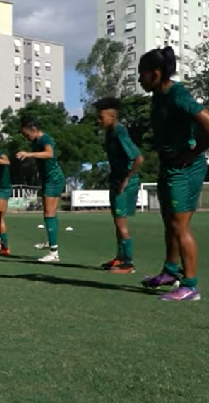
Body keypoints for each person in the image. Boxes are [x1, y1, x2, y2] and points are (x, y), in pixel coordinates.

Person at [137, 47, 209, 301]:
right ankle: (170, 272)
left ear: (155, 73)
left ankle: (190, 286)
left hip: (184, 168)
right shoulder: (159, 94)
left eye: (141, 74)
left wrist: (194, 152)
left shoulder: (178, 95)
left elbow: (207, 120)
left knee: (180, 226)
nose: (139, 80)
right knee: (169, 222)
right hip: (170, 166)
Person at [93, 97, 144, 274]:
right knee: (117, 222)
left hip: (124, 183)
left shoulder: (120, 132)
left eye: (101, 117)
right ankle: (120, 257)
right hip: (116, 180)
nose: (98, 120)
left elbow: (138, 158)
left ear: (112, 117)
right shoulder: (110, 132)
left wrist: (126, 179)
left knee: (122, 224)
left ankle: (129, 264)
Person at [16, 115, 65, 262]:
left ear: (34, 129)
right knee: (51, 213)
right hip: (50, 178)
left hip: (53, 178)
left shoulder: (45, 139)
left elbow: (50, 154)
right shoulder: (36, 141)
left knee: (48, 214)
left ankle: (54, 253)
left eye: (26, 134)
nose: (26, 138)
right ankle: (51, 241)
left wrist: (29, 154)